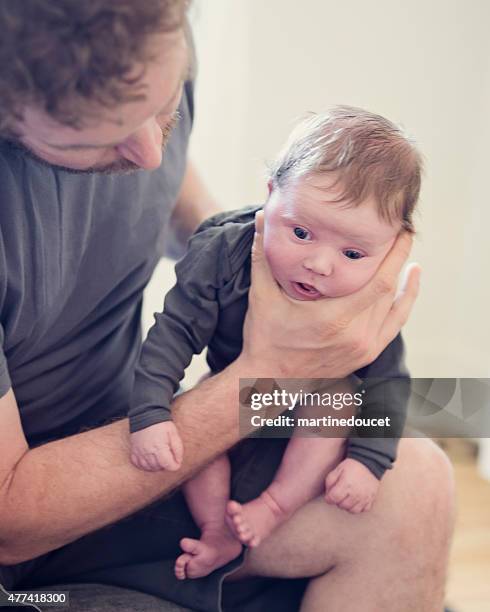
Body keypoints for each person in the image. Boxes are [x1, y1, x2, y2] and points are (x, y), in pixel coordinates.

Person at [0, 2, 454, 611]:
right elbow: (11, 522)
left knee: (418, 481)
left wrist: (234, 260)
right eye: (93, 136)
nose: (148, 154)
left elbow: (167, 171)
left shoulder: (143, 29)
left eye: (163, 105)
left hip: (137, 452)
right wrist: (271, 371)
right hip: (38, 515)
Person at [129, 107, 418, 580]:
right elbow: (173, 332)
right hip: (235, 394)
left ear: (391, 249)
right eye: (301, 232)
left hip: (311, 419)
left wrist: (369, 460)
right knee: (189, 422)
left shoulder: (371, 295)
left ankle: (275, 505)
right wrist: (150, 411)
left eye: (352, 253)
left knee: (340, 399)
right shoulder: (223, 253)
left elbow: (389, 381)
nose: (320, 264)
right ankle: (216, 531)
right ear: (270, 197)